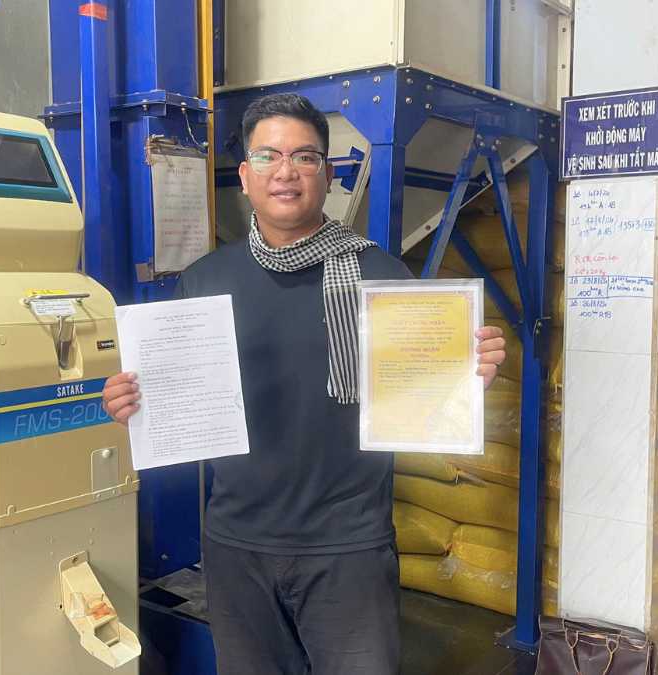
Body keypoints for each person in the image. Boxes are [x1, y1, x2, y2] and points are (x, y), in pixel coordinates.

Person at [102, 93, 508, 675]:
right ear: (246, 176)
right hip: (238, 545)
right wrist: (134, 401)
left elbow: (420, 391)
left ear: (328, 172)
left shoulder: (380, 277)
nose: (285, 171)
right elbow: (177, 396)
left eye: (304, 156)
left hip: (348, 546)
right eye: (267, 156)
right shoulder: (204, 282)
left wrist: (462, 376)